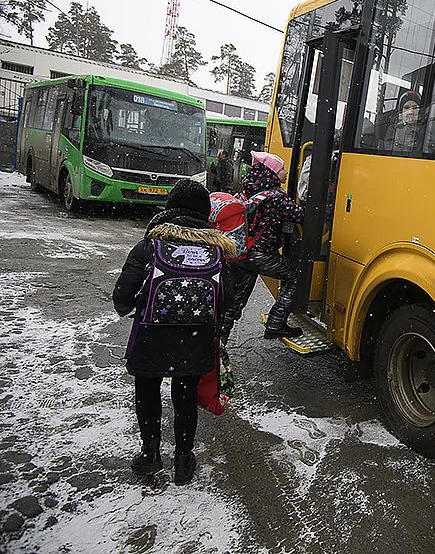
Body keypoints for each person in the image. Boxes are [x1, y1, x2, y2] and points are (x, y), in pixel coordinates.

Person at [113, 179, 236, 485]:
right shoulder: (216, 252)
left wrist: (134, 306)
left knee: (148, 391)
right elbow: (228, 300)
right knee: (184, 397)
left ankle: (150, 454)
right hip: (195, 339)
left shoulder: (148, 247)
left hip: (151, 335)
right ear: (205, 213)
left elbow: (122, 298)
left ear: (168, 208)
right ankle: (183, 460)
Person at [220, 151, 305, 340]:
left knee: (235, 300)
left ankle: (218, 342)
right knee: (296, 277)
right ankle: (276, 322)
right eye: (282, 169)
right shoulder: (275, 197)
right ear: (272, 173)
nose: (285, 172)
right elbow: (301, 215)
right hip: (260, 254)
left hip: (240, 251)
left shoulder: (247, 190)